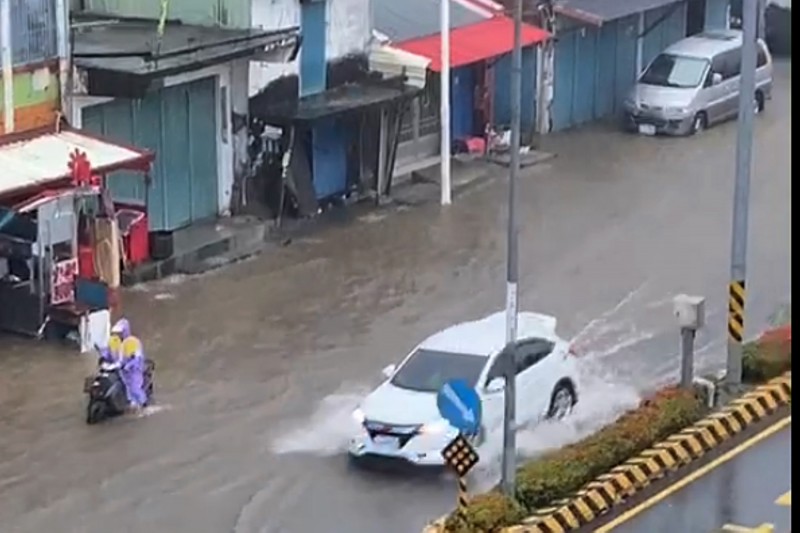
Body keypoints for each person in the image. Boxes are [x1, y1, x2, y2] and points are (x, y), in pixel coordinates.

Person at [120, 336, 148, 412]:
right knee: (128, 387)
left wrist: (128, 365)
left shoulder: (134, 343)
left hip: (136, 370)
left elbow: (137, 358)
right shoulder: (122, 344)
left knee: (135, 388)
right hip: (126, 371)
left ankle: (143, 404)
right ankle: (134, 404)